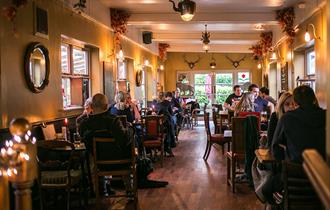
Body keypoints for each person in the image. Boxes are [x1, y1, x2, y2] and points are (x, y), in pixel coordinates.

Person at [79, 93, 168, 190]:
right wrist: (130, 129)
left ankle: (103, 188)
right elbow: (125, 140)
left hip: (98, 163)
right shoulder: (113, 121)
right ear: (106, 106)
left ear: (91, 106)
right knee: (137, 155)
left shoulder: (84, 124)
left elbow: (85, 143)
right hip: (121, 162)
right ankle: (130, 187)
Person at [262, 86, 326, 204]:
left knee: (265, 190)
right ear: (314, 99)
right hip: (324, 177)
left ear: (296, 102)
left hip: (295, 176)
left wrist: (285, 161)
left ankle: (279, 203)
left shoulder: (287, 118)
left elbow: (275, 147)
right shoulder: (327, 116)